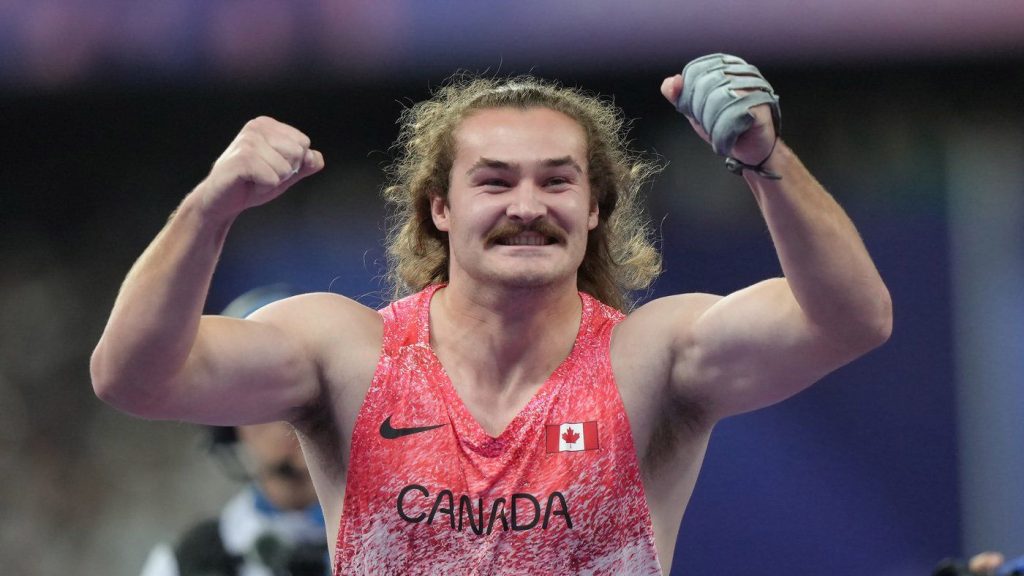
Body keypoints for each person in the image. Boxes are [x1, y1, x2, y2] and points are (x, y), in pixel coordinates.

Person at [92, 54, 892, 575]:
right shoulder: (349, 353)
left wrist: (764, 162)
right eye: (495, 180)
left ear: (594, 210)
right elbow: (135, 378)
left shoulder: (653, 360)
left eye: (557, 181)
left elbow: (851, 320)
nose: (527, 206)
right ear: (439, 207)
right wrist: (210, 207)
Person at [139, 285, 330, 576]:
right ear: (227, 423)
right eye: (260, 389)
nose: (285, 413)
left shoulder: (406, 533)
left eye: (305, 386)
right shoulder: (185, 566)